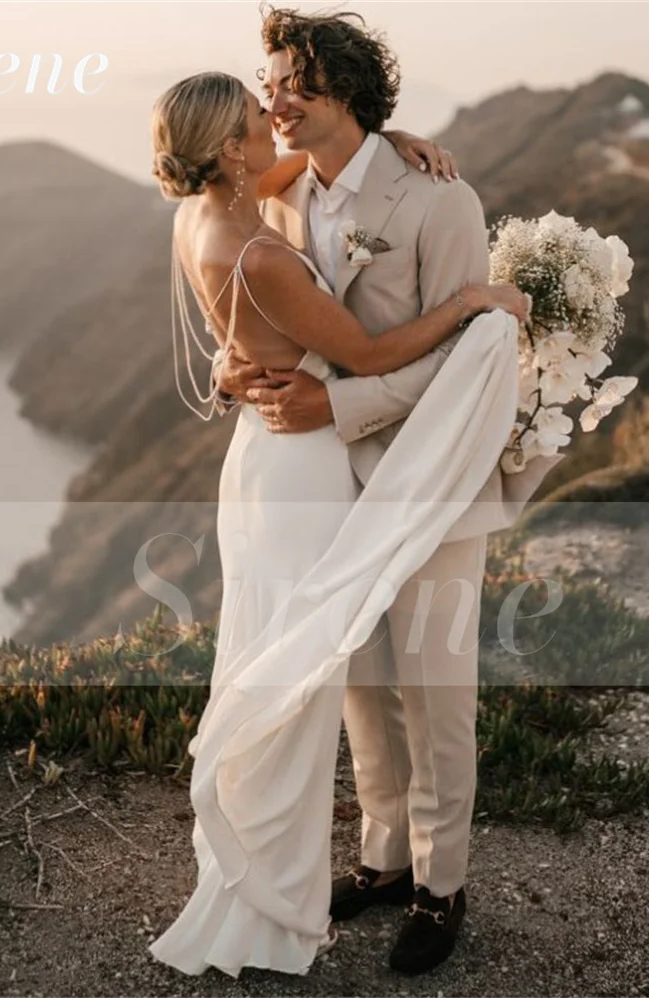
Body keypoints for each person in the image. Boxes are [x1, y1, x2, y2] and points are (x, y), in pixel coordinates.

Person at [146, 65, 531, 980]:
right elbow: (358, 350)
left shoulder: (239, 196)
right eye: (260, 103)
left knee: (401, 678)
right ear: (232, 148)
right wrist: (467, 306)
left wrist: (389, 142)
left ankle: (439, 886)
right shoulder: (261, 235)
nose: (274, 108)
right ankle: (348, 868)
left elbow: (299, 197)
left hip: (350, 466)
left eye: (291, 89)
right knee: (329, 675)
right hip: (306, 469)